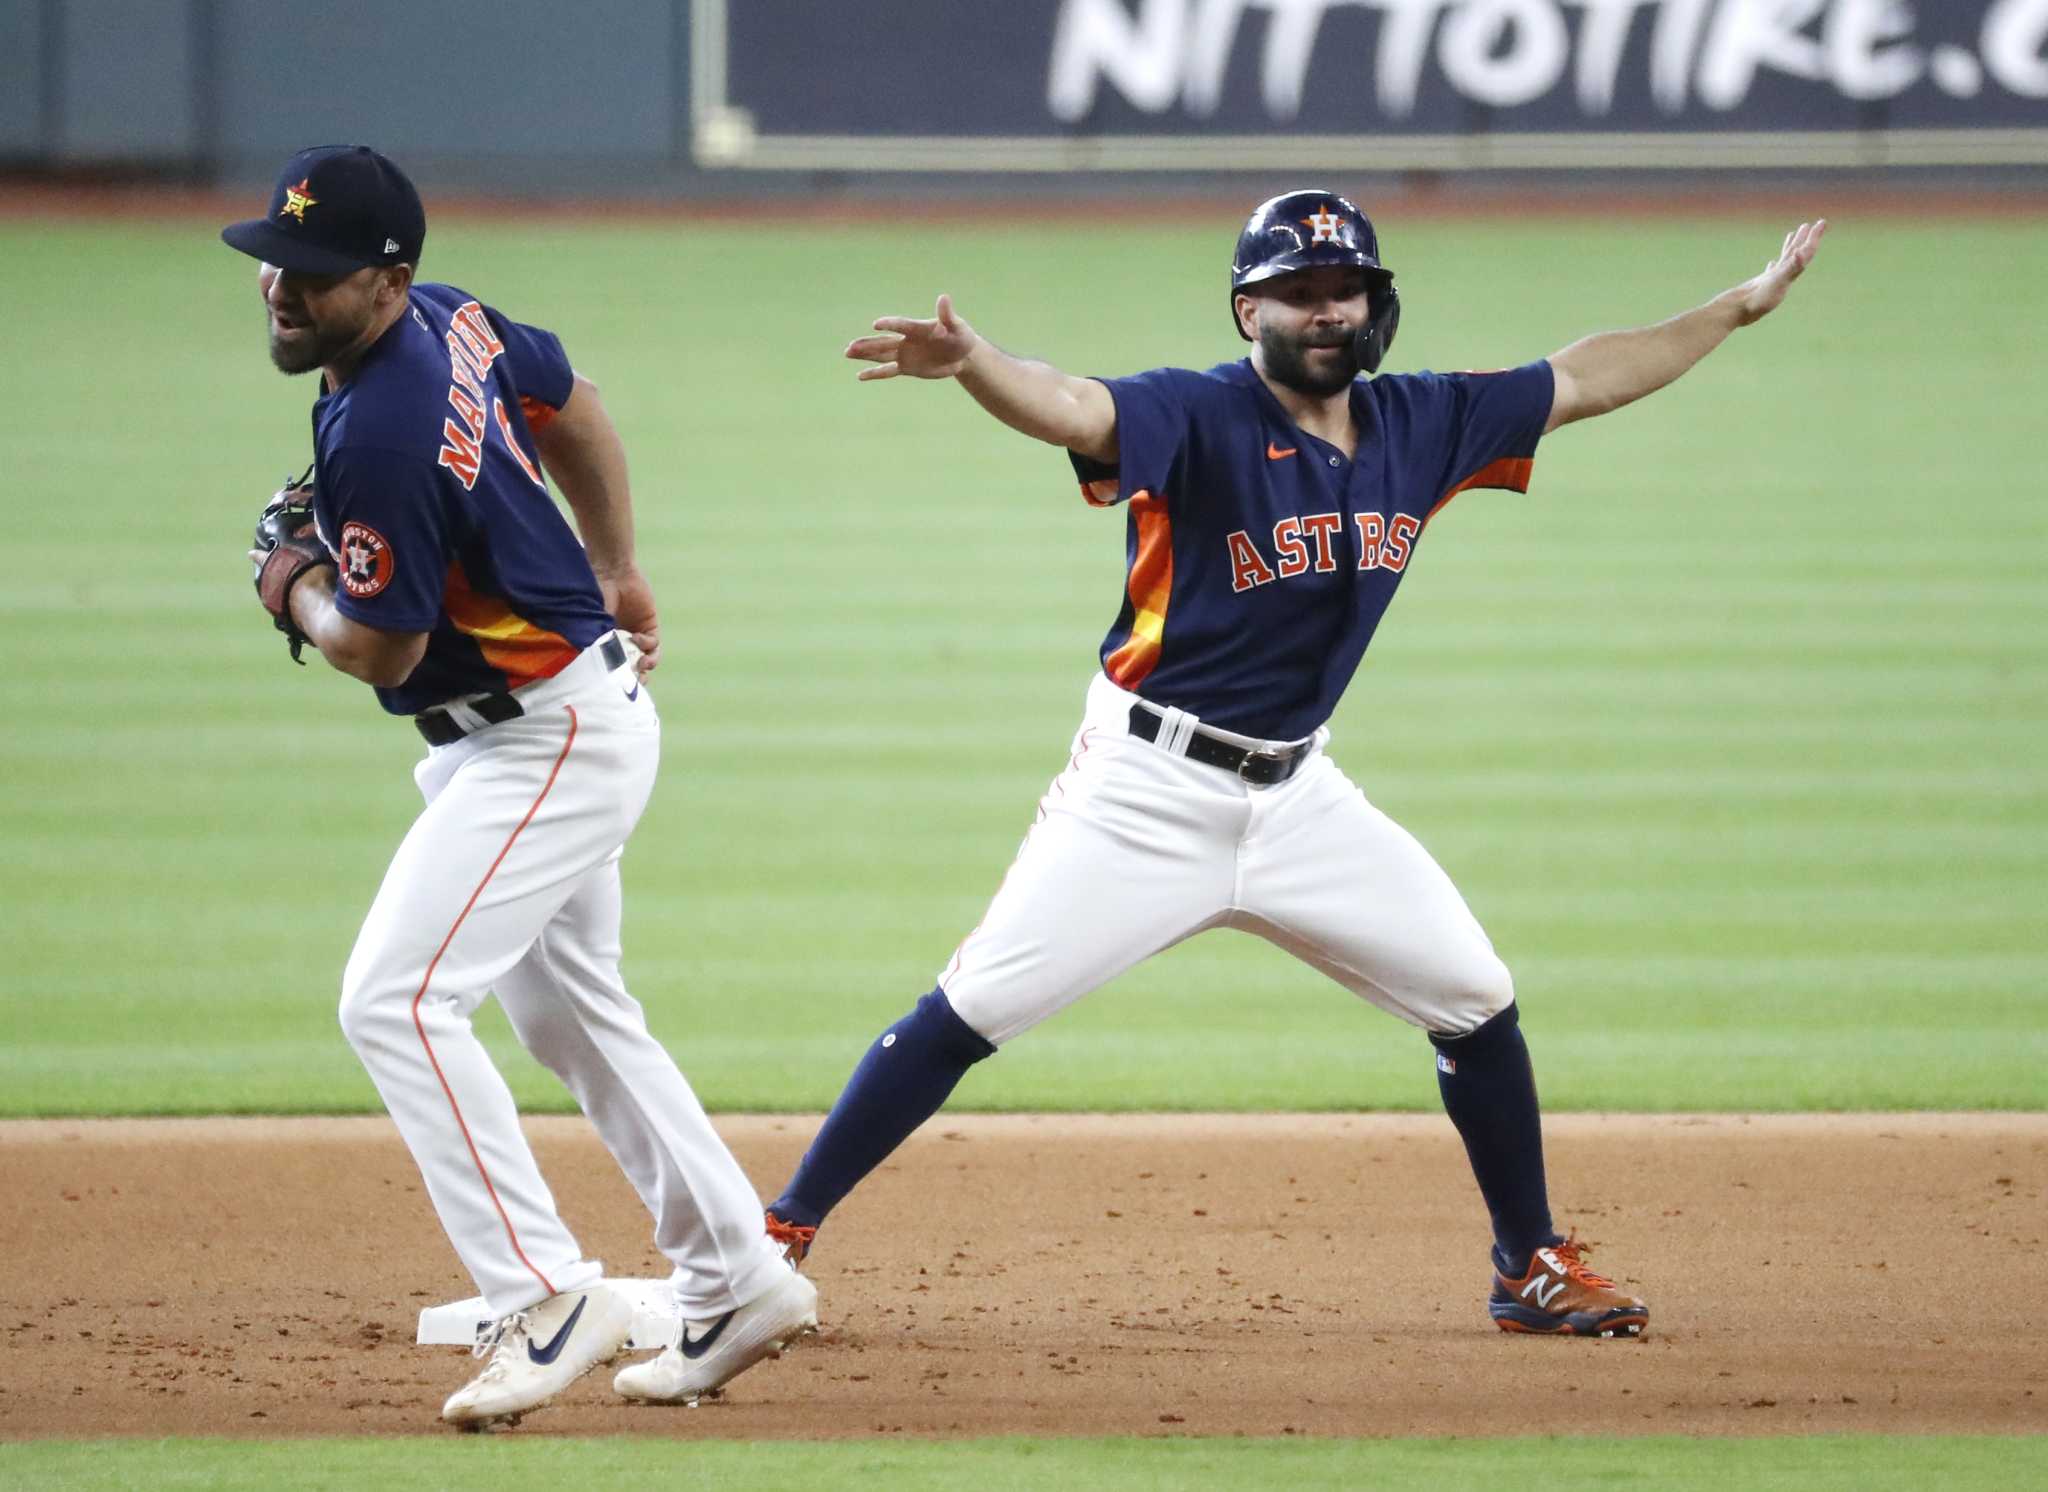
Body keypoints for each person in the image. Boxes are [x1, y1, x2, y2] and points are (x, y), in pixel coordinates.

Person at [763, 190, 1827, 1339]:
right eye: (1299, 294)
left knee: (1473, 999)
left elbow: (1582, 376)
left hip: (1300, 794)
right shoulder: (1194, 413)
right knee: (968, 1010)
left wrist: (1733, 307)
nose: (1327, 312)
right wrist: (976, 363)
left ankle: (1526, 1264)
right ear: (1246, 311)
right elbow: (1074, 405)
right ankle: (769, 1237)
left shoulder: (1423, 421)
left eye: (1345, 290)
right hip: (1145, 790)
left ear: (1377, 304)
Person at [225, 145, 816, 1427]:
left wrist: (293, 587)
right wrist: (617, 567)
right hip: (553, 711)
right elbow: (579, 405)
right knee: (575, 1019)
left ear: (385, 281)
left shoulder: (381, 420)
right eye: (275, 259)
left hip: (539, 740)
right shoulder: (450, 316)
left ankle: (544, 1295)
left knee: (396, 1000)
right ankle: (737, 1274)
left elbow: (373, 644)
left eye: (312, 274)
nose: (280, 287)